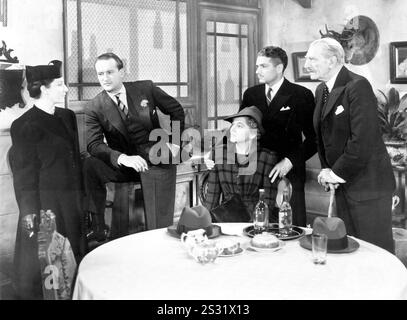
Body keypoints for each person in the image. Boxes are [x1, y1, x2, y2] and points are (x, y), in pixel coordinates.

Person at [304, 37, 396, 253]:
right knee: (352, 250)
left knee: (375, 252)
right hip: (345, 185)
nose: (306, 64)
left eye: (312, 59)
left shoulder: (357, 86)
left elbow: (362, 141)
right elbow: (324, 136)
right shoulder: (321, 90)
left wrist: (335, 174)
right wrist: (328, 169)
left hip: (369, 188)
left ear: (333, 60)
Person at [84, 52, 185, 241]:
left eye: (109, 72)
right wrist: (123, 158)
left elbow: (176, 110)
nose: (104, 78)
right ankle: (98, 226)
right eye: (100, 74)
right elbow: (93, 144)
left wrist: (175, 142)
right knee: (89, 166)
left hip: (156, 158)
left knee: (158, 226)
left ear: (122, 72)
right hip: (126, 165)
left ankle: (159, 236)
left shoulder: (145, 88)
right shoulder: (94, 106)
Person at [9, 60, 86, 299]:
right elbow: (24, 178)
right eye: (60, 84)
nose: (65, 90)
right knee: (47, 269)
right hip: (46, 205)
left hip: (71, 199)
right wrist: (30, 215)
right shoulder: (24, 125)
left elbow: (76, 159)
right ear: (43, 88)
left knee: (73, 262)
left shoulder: (67, 116)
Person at [240, 46, 316, 226]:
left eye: (263, 66)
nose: (257, 71)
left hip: (288, 171)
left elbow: (314, 139)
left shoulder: (301, 95)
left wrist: (289, 161)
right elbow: (240, 129)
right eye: (257, 66)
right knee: (257, 226)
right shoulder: (251, 94)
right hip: (256, 172)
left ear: (279, 68)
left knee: (290, 227)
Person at [204, 106, 278, 219]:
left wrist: (259, 226)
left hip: (254, 219)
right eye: (232, 125)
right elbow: (212, 197)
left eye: (239, 126)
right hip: (225, 217)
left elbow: (268, 201)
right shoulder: (219, 153)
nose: (232, 130)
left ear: (253, 133)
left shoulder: (267, 157)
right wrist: (204, 224)